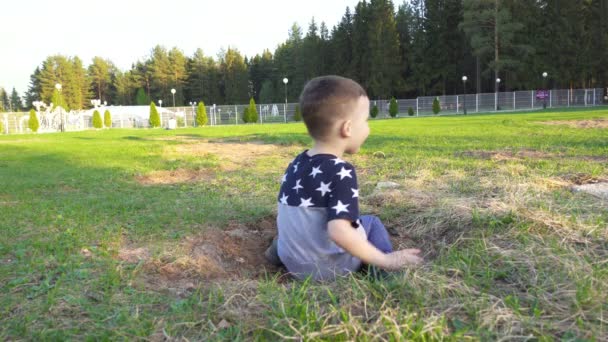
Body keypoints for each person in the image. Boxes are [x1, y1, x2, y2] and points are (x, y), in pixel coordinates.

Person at [265, 75, 423, 281]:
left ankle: (274, 251)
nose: (368, 128)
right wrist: (389, 260)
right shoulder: (341, 171)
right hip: (332, 269)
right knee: (371, 222)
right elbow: (339, 232)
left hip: (293, 264)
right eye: (365, 121)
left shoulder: (295, 163)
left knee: (300, 224)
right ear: (347, 128)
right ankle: (381, 270)